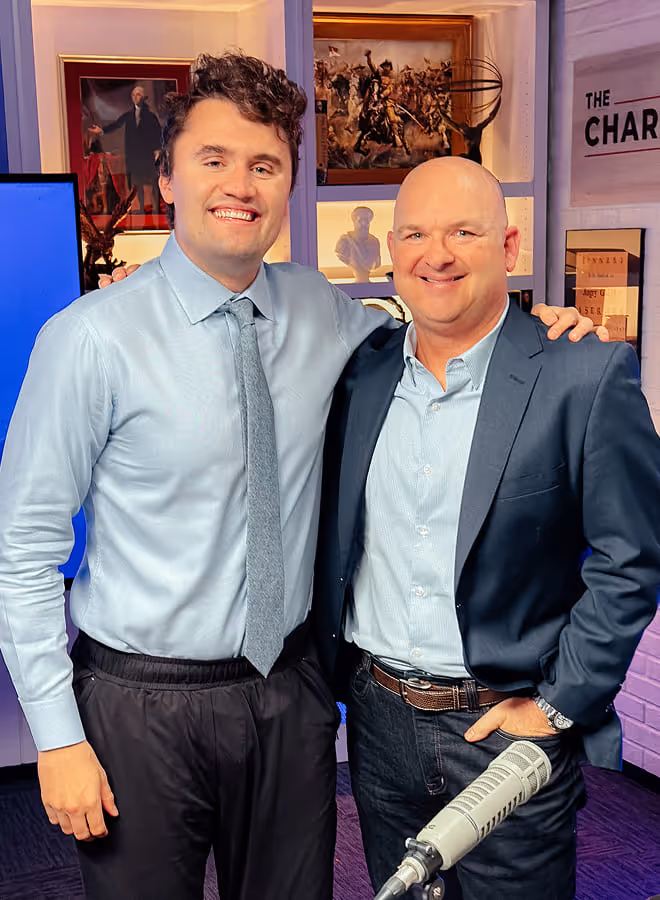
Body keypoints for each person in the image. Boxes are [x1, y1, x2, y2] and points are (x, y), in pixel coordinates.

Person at [0, 52, 597, 900]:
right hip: (139, 702)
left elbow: (437, 332)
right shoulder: (89, 338)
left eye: (266, 164)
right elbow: (21, 546)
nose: (239, 185)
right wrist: (56, 735)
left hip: (289, 692)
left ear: (287, 187)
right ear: (166, 176)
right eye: (214, 159)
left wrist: (536, 331)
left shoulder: (321, 308)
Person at [313, 156, 660, 900]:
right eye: (415, 234)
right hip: (377, 721)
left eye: (463, 232)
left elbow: (631, 559)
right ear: (392, 250)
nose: (435, 254)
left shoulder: (583, 374)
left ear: (507, 246)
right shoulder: (360, 372)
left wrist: (557, 704)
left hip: (503, 726)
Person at [89, 85, 162, 214]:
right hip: (134, 157)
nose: (136, 97)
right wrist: (101, 131)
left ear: (143, 97)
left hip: (147, 157)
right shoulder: (128, 116)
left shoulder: (151, 117)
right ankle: (140, 210)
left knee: (153, 183)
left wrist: (157, 150)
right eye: (134, 95)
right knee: (137, 185)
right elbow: (116, 124)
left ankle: (156, 210)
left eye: (138, 95)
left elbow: (157, 134)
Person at [335, 205, 381, 282]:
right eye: (360, 220)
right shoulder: (345, 241)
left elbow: (377, 262)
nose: (364, 223)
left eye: (366, 220)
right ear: (354, 221)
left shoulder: (374, 242)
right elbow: (341, 255)